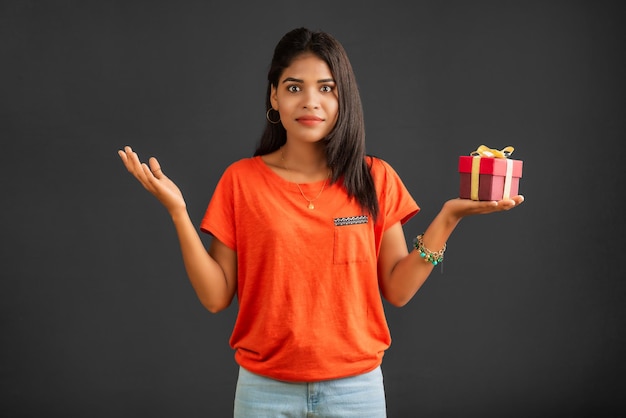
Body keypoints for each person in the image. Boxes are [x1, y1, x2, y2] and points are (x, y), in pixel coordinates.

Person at [118, 27, 524, 418]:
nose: (310, 101)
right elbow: (215, 297)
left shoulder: (374, 178)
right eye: (294, 87)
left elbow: (397, 291)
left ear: (342, 98)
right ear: (274, 97)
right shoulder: (241, 181)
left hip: (356, 390)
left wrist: (449, 217)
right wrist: (178, 212)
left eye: (326, 88)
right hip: (263, 391)